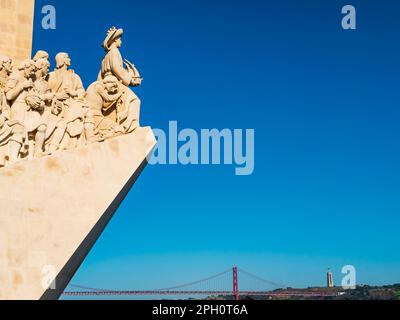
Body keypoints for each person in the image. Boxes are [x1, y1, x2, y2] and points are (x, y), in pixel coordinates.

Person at [98, 27, 142, 133]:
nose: (121, 41)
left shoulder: (105, 57)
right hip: (114, 82)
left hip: (106, 82)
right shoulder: (114, 52)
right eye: (120, 39)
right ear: (115, 40)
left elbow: (100, 75)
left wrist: (100, 86)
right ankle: (128, 127)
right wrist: (130, 81)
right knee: (135, 101)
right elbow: (117, 69)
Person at [6, 59, 47, 160]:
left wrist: (37, 101)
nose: (32, 73)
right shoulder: (14, 77)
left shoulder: (29, 80)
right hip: (18, 107)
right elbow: (9, 96)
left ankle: (38, 152)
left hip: (28, 109)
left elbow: (32, 95)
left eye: (34, 71)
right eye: (31, 70)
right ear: (25, 67)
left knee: (42, 126)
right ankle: (14, 157)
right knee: (19, 131)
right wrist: (22, 86)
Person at [48, 52, 87, 149]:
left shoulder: (75, 76)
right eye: (67, 58)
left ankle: (71, 143)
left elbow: (81, 90)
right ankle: (54, 146)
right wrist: (58, 96)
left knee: (78, 110)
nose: (70, 59)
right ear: (62, 60)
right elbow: (46, 92)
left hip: (72, 103)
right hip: (57, 105)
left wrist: (73, 93)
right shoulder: (51, 75)